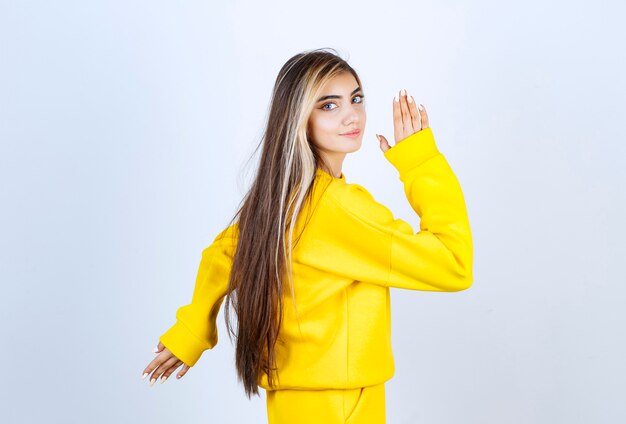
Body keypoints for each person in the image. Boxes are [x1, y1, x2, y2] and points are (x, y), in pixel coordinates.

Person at [141, 47, 473, 423]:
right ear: (299, 119)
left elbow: (223, 254)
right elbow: (453, 264)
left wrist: (191, 332)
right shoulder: (340, 209)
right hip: (345, 405)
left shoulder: (281, 200)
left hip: (293, 403)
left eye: (356, 98)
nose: (352, 114)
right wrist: (420, 162)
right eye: (329, 105)